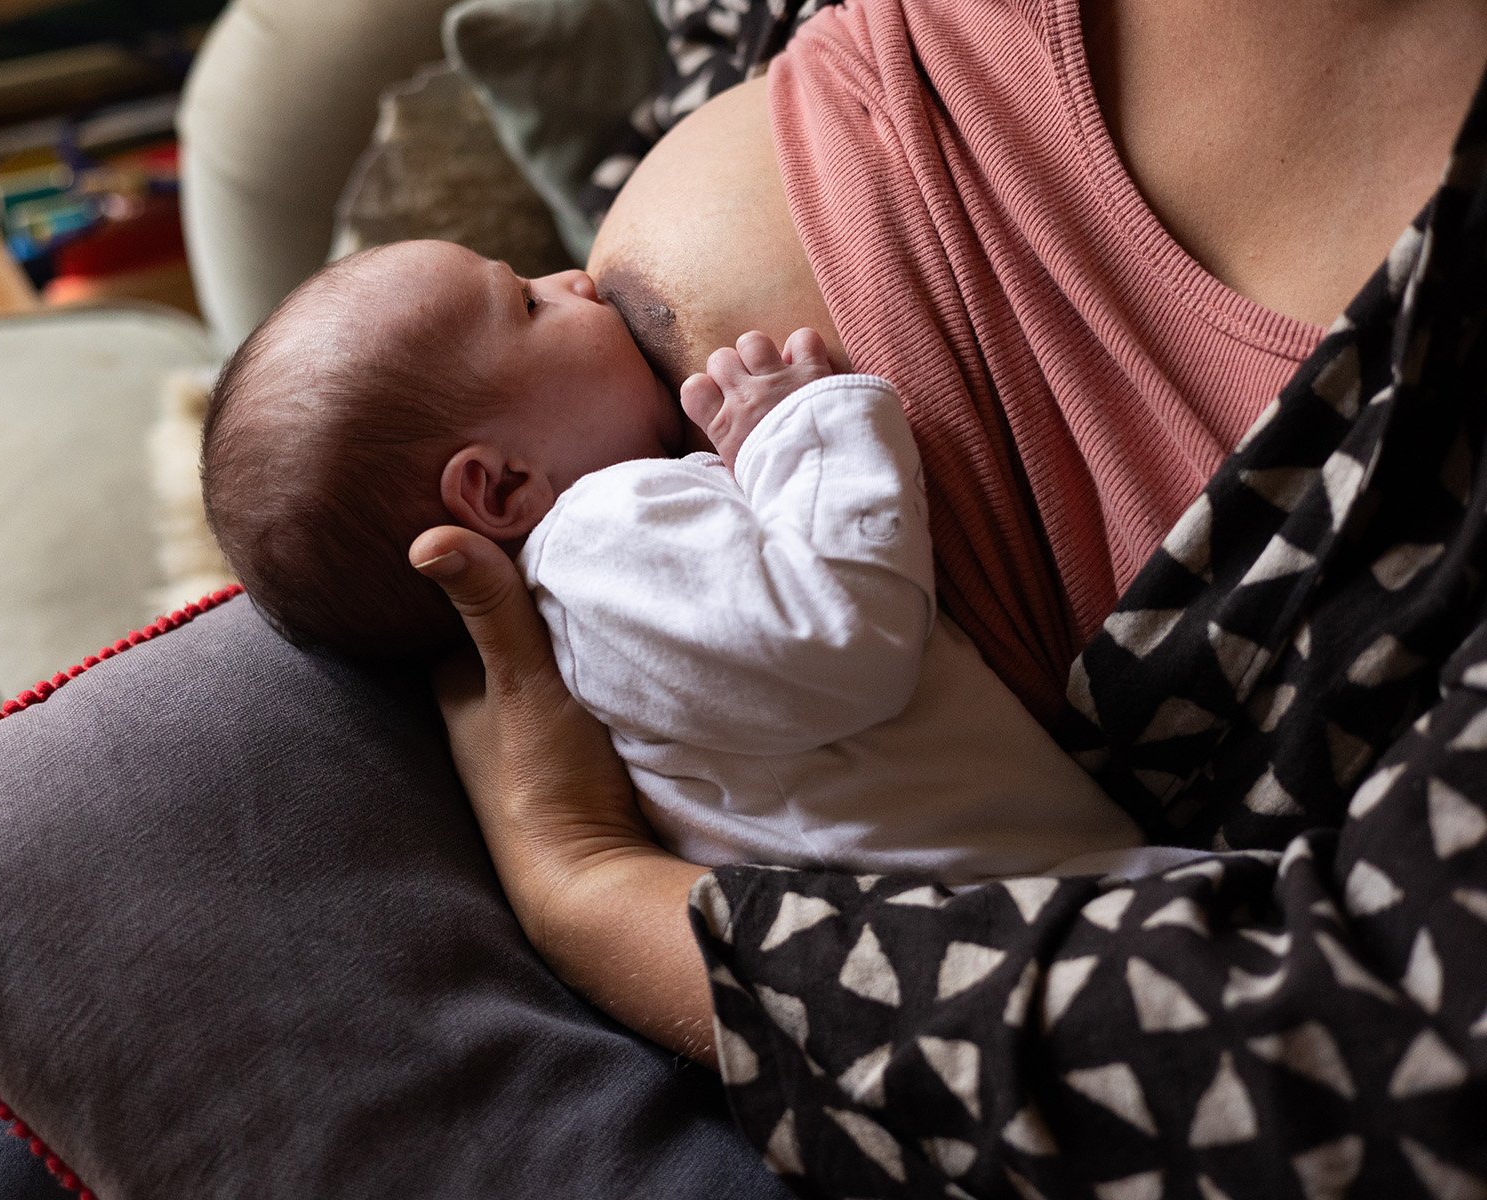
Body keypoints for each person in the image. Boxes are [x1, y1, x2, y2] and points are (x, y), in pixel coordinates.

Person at [0, 0, 1487, 1194]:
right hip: (539, 633)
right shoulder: (555, 520)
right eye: (531, 290)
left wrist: (600, 900)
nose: (566, 278)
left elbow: (1368, 1041)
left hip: (904, 930)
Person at [201, 237, 1139, 878]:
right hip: (1056, 902)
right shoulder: (597, 544)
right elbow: (838, 637)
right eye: (526, 302)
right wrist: (801, 428)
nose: (572, 278)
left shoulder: (617, 584)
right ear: (499, 492)